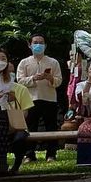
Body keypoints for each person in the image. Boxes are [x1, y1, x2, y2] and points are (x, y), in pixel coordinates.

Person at [17, 32, 62, 162]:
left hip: (49, 99)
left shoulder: (53, 62)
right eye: (35, 42)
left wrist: (50, 78)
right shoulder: (24, 62)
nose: (38, 45)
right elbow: (19, 81)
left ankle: (51, 154)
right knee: (31, 127)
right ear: (29, 45)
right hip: (30, 99)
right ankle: (30, 154)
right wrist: (33, 79)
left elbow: (59, 81)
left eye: (41, 43)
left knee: (51, 127)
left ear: (45, 45)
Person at [0, 47, 32, 175]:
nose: (0, 62)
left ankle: (7, 167)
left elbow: (24, 112)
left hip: (9, 122)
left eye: (3, 59)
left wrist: (10, 100)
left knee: (18, 138)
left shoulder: (18, 88)